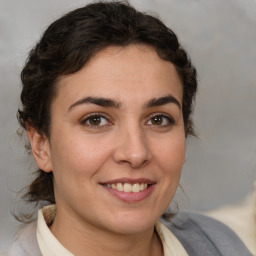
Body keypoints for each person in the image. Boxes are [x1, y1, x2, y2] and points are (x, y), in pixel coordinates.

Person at [8, 1, 252, 256]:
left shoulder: (221, 244)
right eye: (95, 120)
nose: (135, 154)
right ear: (41, 145)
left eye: (158, 120)